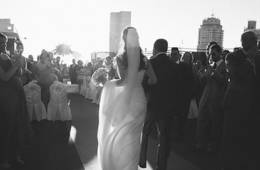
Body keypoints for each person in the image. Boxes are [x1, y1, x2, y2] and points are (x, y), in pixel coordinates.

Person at [97, 27, 153, 170]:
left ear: (123, 39)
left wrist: (108, 84)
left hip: (126, 101)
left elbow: (123, 82)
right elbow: (154, 80)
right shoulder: (145, 60)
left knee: (120, 140)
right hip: (140, 100)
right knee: (134, 139)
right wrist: (141, 83)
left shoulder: (121, 58)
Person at [139, 39, 175, 170]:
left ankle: (142, 160)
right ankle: (161, 166)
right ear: (166, 48)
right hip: (167, 106)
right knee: (163, 137)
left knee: (145, 132)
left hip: (152, 103)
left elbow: (144, 83)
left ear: (155, 48)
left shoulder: (151, 63)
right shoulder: (173, 64)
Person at [221, 52, 256, 170]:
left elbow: (230, 99)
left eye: (228, 64)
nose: (226, 68)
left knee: (232, 145)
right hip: (239, 116)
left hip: (235, 116)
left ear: (234, 65)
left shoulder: (237, 82)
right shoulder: (244, 76)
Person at [0, 33, 30, 169]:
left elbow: (20, 74)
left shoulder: (8, 55)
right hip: (5, 96)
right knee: (6, 127)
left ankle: (15, 155)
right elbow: (5, 77)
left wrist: (20, 65)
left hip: (17, 93)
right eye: (1, 42)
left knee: (18, 125)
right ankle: (3, 159)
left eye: (5, 42)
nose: (3, 45)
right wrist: (16, 65)